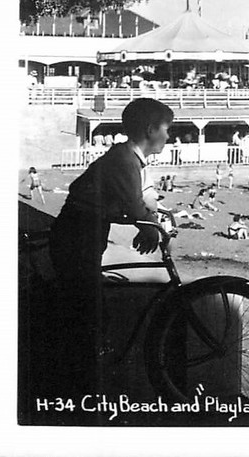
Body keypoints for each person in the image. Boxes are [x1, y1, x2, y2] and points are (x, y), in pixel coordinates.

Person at [47, 98, 173, 401]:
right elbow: (134, 205)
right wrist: (149, 226)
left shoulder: (126, 158)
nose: (168, 137)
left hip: (82, 236)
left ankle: (84, 378)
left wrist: (148, 222)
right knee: (88, 313)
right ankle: (81, 390)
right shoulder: (124, 160)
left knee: (90, 310)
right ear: (150, 129)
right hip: (77, 239)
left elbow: (132, 206)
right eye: (166, 130)